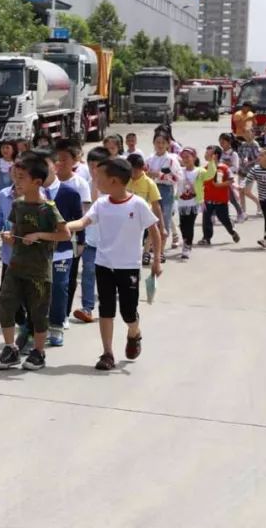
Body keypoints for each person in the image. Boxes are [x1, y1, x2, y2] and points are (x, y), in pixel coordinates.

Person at [66, 157, 162, 372]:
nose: (96, 180)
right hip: (104, 264)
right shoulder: (101, 203)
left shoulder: (137, 204)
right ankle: (107, 353)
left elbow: (155, 232)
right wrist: (66, 226)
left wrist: (156, 260)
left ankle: (134, 332)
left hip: (128, 266)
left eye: (100, 177)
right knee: (106, 309)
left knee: (128, 312)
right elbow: (83, 222)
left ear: (115, 181)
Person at [0, 155, 69, 371]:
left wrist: (40, 235)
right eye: (16, 177)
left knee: (38, 312)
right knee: (6, 304)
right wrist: (8, 235)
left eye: (22, 178)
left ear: (37, 181)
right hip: (16, 266)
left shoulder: (48, 208)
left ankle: (39, 352)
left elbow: (65, 235)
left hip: (39, 270)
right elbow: (15, 230)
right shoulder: (17, 205)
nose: (17, 182)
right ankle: (10, 349)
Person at [47, 145, 86, 347]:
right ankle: (37, 327)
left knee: (60, 287)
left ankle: (57, 326)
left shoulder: (70, 193)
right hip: (38, 250)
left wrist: (80, 242)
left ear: (55, 166)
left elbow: (79, 219)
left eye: (46, 166)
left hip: (62, 250)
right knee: (40, 289)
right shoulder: (33, 193)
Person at [72, 147, 111, 324]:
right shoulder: (83, 184)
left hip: (109, 241)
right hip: (90, 239)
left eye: (97, 166)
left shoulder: (113, 186)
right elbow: (88, 209)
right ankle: (87, 308)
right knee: (88, 271)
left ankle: (107, 305)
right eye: (90, 165)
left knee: (107, 276)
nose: (93, 169)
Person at [175, 147, 215, 259]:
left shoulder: (199, 171)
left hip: (194, 203)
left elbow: (210, 174)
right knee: (183, 225)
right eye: (183, 157)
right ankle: (186, 240)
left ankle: (187, 246)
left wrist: (211, 161)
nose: (185, 159)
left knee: (189, 224)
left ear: (194, 157)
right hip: (182, 203)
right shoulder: (179, 170)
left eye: (188, 157)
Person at [126, 154, 165, 263]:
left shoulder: (149, 183)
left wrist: (162, 227)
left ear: (143, 168)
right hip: (124, 217)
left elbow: (156, 206)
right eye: (131, 171)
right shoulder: (124, 179)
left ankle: (142, 256)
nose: (133, 174)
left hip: (140, 220)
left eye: (135, 171)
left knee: (136, 244)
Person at [200, 145, 241, 246]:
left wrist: (220, 184)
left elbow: (231, 180)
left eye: (208, 153)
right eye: (206, 153)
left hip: (221, 200)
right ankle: (206, 238)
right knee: (206, 219)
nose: (206, 155)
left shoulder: (224, 168)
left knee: (224, 219)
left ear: (215, 156)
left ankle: (232, 231)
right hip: (208, 199)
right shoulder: (204, 169)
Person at [146, 133, 181, 250]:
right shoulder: (150, 159)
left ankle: (161, 249)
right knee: (152, 217)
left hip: (166, 190)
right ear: (154, 143)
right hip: (152, 188)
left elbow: (178, 177)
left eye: (163, 143)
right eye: (157, 142)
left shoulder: (171, 159)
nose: (160, 145)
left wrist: (160, 175)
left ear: (167, 144)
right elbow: (144, 173)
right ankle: (153, 243)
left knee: (165, 218)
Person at [245, 148, 266, 248]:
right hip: (263, 197)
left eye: (262, 155)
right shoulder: (256, 169)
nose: (258, 157)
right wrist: (241, 185)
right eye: (259, 155)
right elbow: (248, 179)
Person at [218, 133, 245, 222]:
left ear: (229, 142)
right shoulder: (220, 153)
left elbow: (236, 168)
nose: (221, 143)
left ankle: (241, 213)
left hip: (231, 179)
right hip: (221, 178)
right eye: (220, 141)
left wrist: (225, 168)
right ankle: (217, 215)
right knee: (219, 197)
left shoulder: (234, 154)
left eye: (223, 141)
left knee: (233, 198)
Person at [237, 133, 262, 219]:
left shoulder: (255, 144)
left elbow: (259, 158)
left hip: (251, 171)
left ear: (252, 134)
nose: (246, 135)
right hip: (242, 171)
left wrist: (249, 162)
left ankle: (258, 203)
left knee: (247, 191)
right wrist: (240, 160)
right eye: (245, 134)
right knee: (241, 191)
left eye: (249, 134)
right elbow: (239, 154)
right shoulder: (243, 145)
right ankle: (243, 212)